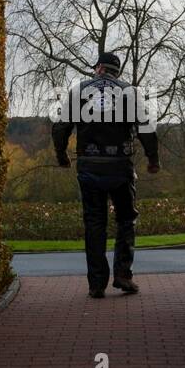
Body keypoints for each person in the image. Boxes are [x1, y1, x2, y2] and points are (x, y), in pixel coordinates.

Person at [52, 52, 160, 298]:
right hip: (120, 166)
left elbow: (60, 127)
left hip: (89, 166)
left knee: (94, 223)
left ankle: (96, 283)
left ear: (98, 68)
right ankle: (123, 274)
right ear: (116, 71)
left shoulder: (78, 90)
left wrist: (62, 156)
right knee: (126, 220)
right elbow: (145, 127)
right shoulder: (129, 92)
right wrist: (153, 159)